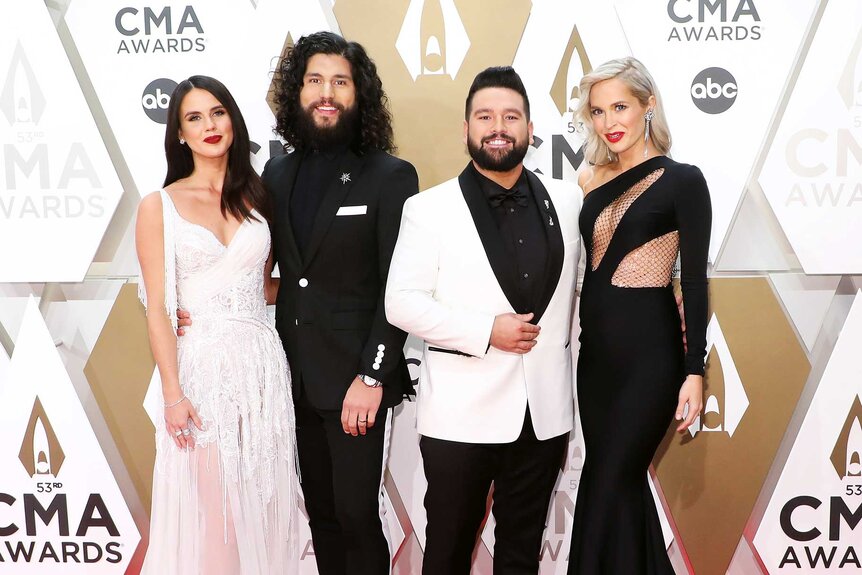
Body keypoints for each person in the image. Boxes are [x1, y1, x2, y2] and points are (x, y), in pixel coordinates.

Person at [385, 66, 582, 575]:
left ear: (530, 127)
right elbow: (401, 303)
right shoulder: (427, 209)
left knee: (521, 556)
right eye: (486, 116)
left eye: (511, 116)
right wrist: (483, 331)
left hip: (542, 415)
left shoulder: (567, 199)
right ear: (467, 128)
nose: (499, 127)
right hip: (459, 418)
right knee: (447, 554)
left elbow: (587, 284)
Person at [262, 31, 417, 575]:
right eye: (314, 81)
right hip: (294, 378)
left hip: (355, 381)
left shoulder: (390, 176)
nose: (326, 93)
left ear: (359, 94)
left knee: (356, 515)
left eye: (340, 82)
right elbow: (277, 274)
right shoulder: (276, 173)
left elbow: (396, 289)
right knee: (322, 515)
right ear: (297, 92)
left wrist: (372, 377)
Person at [136, 75, 298, 574]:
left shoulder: (260, 198)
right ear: (179, 133)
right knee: (217, 516)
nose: (209, 125)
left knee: (266, 507)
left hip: (263, 370)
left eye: (218, 112)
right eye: (194, 117)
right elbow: (159, 308)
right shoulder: (158, 205)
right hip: (200, 375)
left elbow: (265, 287)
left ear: (233, 119)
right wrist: (172, 393)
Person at [567, 57, 710, 574]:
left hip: (652, 359)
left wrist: (695, 369)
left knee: (611, 482)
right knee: (616, 487)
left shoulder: (683, 181)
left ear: (649, 105)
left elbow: (693, 281)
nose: (609, 121)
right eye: (598, 111)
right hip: (596, 359)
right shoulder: (588, 178)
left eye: (620, 106)